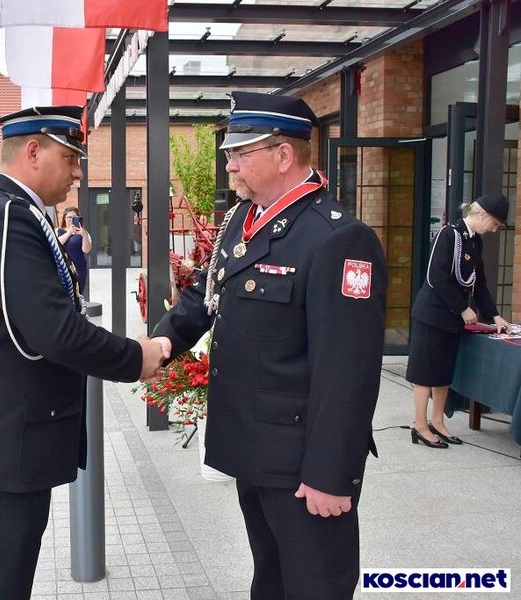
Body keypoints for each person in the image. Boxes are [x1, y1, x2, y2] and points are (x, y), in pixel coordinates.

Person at [0, 105, 169, 600]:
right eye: (71, 158)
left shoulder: (10, 213)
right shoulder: (6, 219)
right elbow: (55, 332)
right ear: (33, 152)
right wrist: (135, 357)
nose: (78, 172)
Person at [151, 91, 388, 599]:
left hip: (303, 465)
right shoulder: (244, 219)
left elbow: (347, 371)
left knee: (315, 585)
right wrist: (163, 341)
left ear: (283, 155)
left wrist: (330, 474)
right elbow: (206, 293)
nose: (230, 165)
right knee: (271, 577)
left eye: (241, 153)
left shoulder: (338, 239)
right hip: (254, 448)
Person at [406, 193, 512, 448]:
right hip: (432, 315)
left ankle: (438, 421)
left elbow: (480, 283)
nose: (494, 229)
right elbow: (436, 276)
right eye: (495, 223)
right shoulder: (449, 234)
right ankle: (420, 425)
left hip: (451, 319)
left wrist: (494, 315)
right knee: (425, 372)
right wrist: (463, 308)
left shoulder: (474, 241)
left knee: (443, 372)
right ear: (483, 214)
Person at [56, 206, 92, 293]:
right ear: (64, 218)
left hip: (79, 268)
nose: (71, 220)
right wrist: (69, 232)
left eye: (74, 217)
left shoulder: (84, 233)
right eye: (69, 217)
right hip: (62, 268)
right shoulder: (58, 231)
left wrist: (84, 235)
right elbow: (57, 244)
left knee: (78, 293)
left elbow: (86, 250)